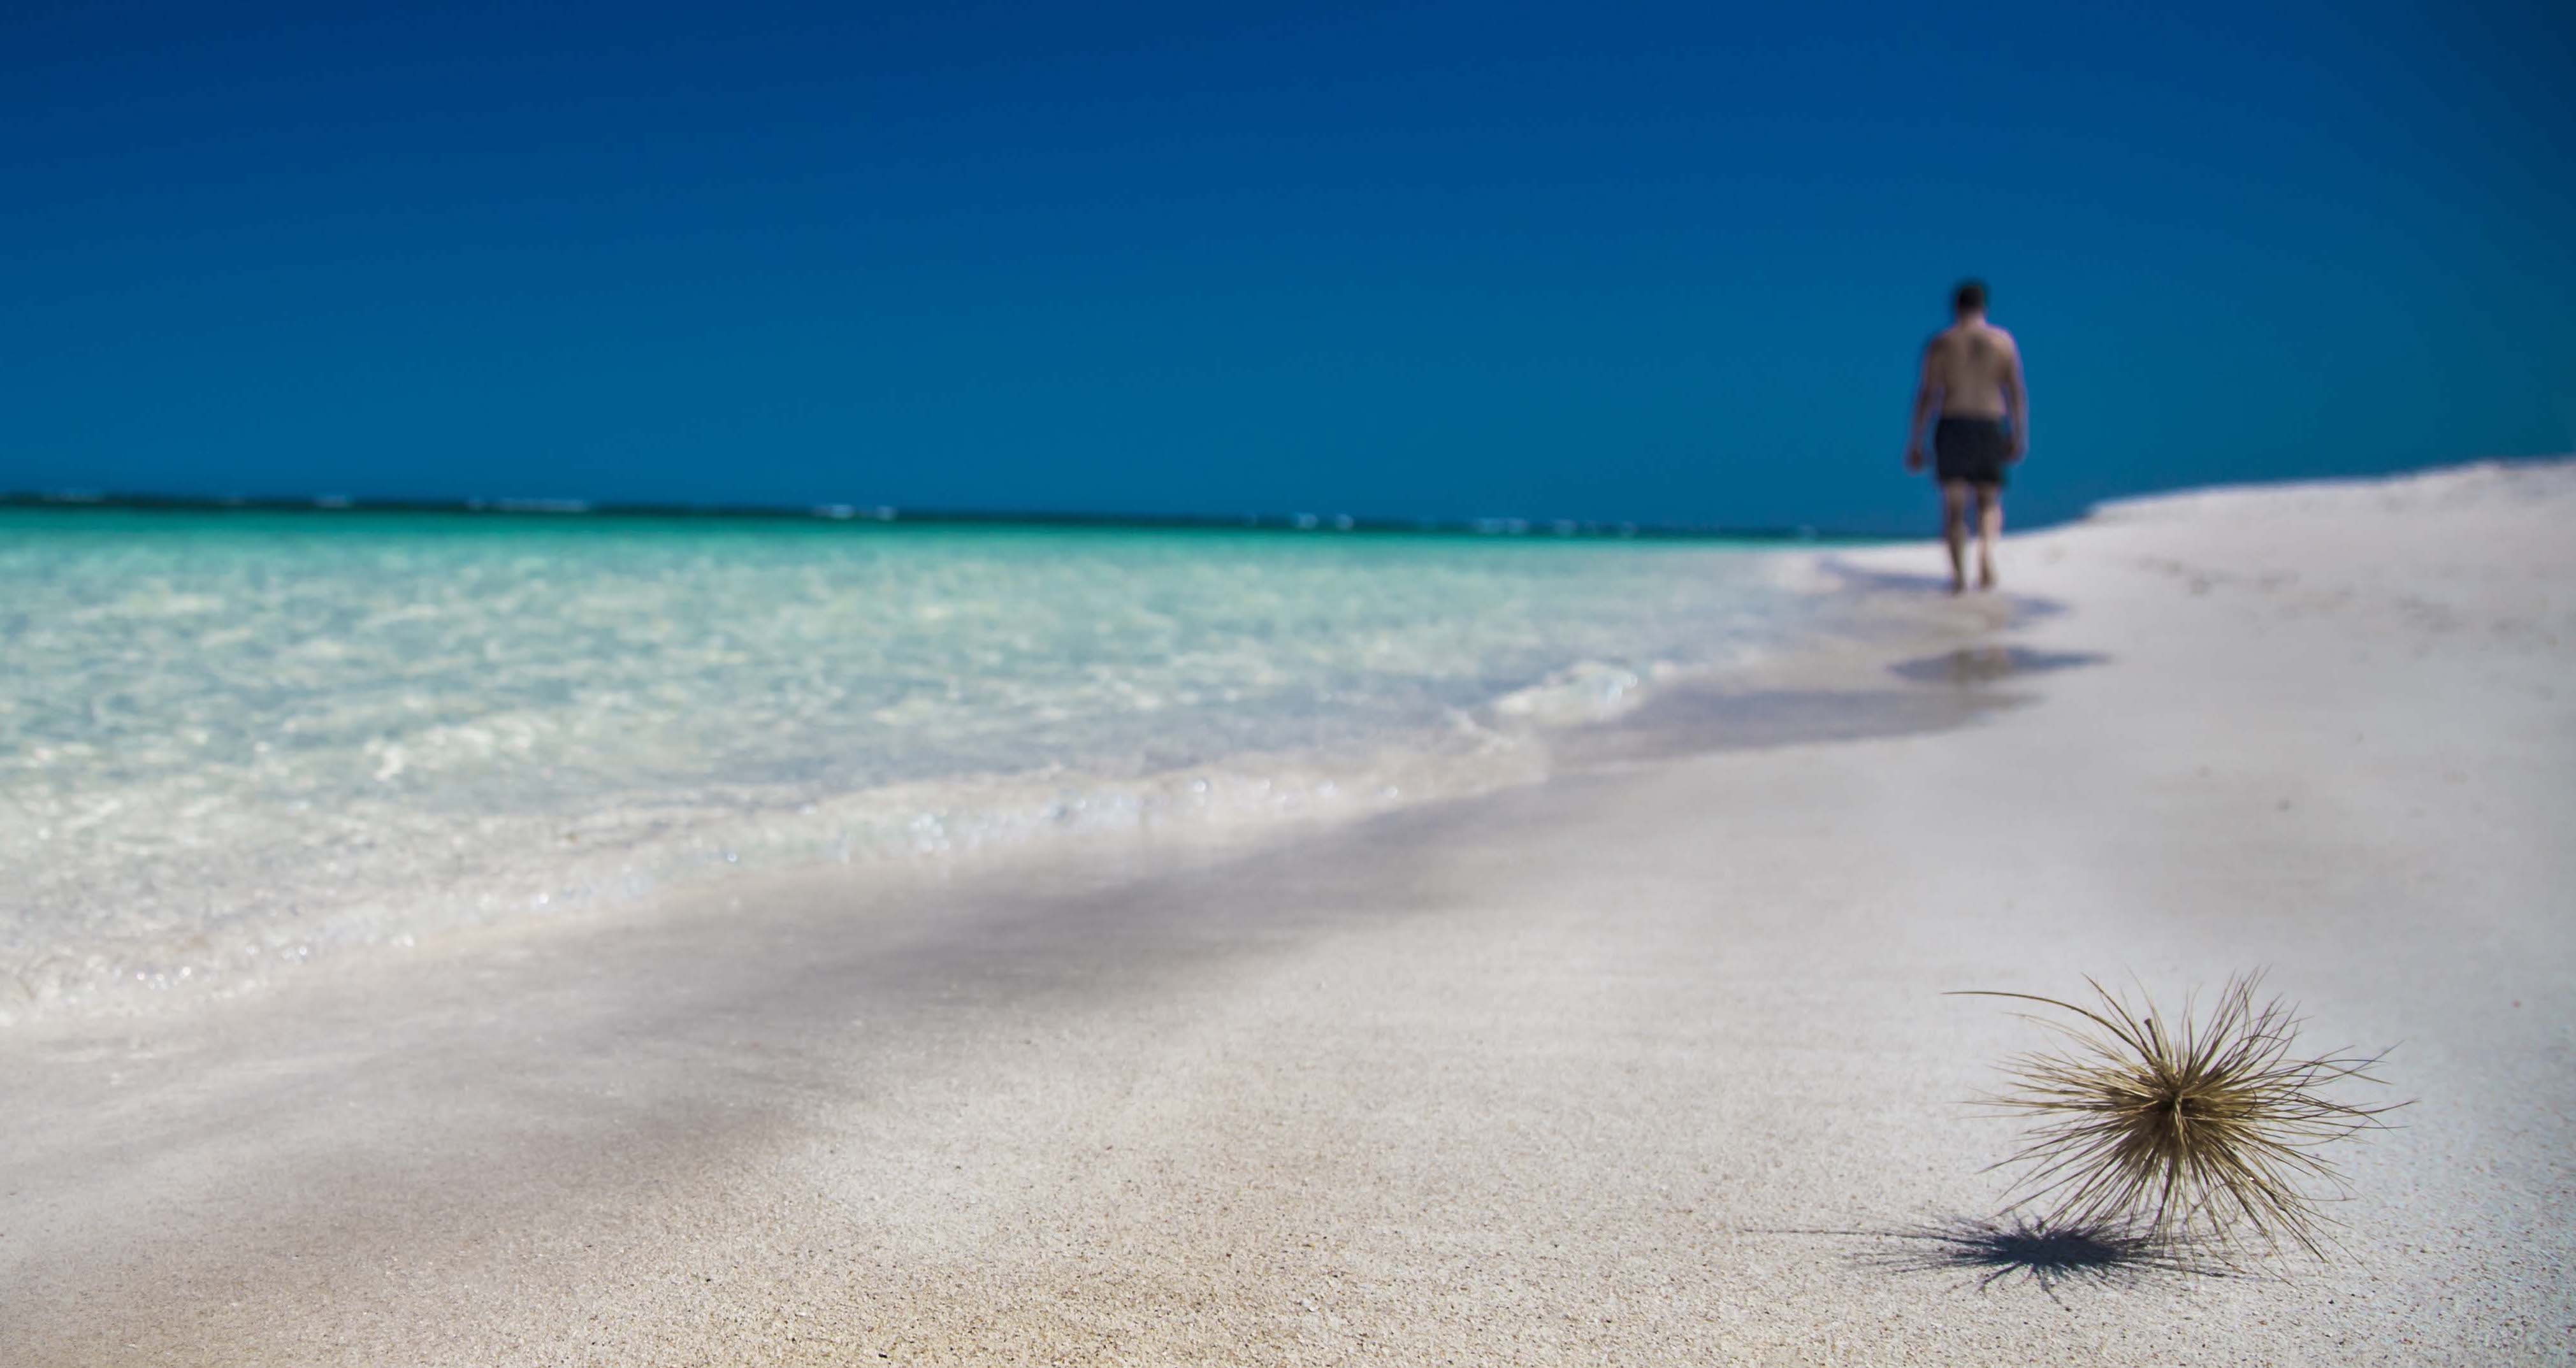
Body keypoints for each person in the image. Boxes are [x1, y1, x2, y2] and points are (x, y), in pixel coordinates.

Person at [1905, 279, 2028, 592]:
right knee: (1988, 500)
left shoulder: (1942, 343)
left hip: (1953, 423)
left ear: (1955, 306)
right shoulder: (2002, 342)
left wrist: (1916, 441)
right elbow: (2015, 392)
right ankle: (1986, 549)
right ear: (1984, 306)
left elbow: (1927, 395)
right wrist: (2018, 433)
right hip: (1989, 422)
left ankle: (1959, 577)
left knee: (1954, 505)